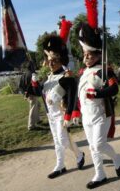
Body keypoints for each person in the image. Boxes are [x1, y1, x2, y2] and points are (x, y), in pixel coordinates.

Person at [76, 0, 120, 189]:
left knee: (99, 145)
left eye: (90, 55)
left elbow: (114, 88)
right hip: (87, 116)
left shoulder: (105, 69)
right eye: (85, 55)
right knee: (92, 147)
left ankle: (117, 158)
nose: (86, 58)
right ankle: (100, 174)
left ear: (97, 54)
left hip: (102, 115)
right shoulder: (82, 72)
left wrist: (97, 94)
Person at [33, 35, 85, 179]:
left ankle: (70, 159)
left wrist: (70, 114)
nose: (51, 63)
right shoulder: (48, 77)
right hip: (50, 114)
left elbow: (72, 96)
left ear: (60, 60)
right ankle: (67, 161)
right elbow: (40, 94)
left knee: (62, 140)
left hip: (61, 113)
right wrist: (35, 83)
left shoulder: (66, 76)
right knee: (58, 140)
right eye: (49, 61)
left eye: (54, 61)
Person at [19, 62, 41, 131]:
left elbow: (20, 87)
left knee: (38, 105)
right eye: (33, 66)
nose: (34, 67)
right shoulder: (32, 74)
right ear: (32, 67)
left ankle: (37, 120)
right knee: (32, 109)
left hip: (28, 94)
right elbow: (36, 85)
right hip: (32, 94)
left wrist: (24, 93)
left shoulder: (23, 75)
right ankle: (31, 126)